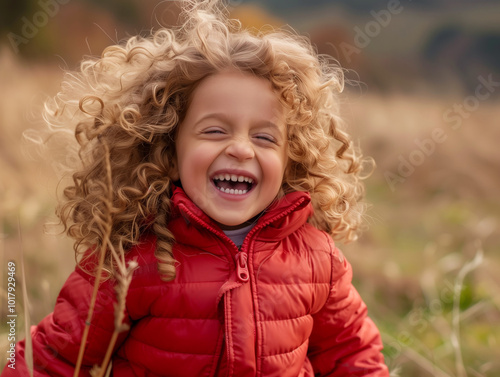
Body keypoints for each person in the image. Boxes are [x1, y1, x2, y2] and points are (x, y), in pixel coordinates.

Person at [2, 0, 390, 376]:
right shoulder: (130, 260)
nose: (240, 148)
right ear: (169, 150)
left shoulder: (316, 258)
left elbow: (351, 355)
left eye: (265, 138)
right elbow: (52, 359)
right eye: (215, 130)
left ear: (292, 158)